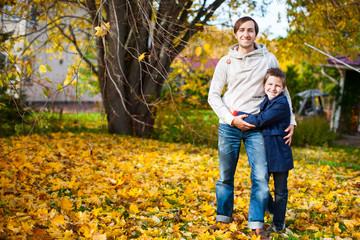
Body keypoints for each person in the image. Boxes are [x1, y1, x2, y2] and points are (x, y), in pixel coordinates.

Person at [207, 16, 296, 240]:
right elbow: (213, 96)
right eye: (242, 30)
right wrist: (230, 119)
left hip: (257, 127)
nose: (246, 34)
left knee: (261, 177)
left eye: (251, 30)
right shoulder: (225, 61)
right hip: (230, 125)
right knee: (226, 176)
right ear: (236, 33)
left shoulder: (268, 58)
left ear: (256, 34)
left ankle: (257, 223)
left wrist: (291, 120)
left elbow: (283, 91)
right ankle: (223, 218)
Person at [231, 68, 294, 234]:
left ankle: (278, 223)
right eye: (270, 84)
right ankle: (274, 209)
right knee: (261, 185)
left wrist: (237, 114)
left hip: (279, 153)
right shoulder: (266, 101)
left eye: (278, 86)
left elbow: (260, 120)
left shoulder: (281, 104)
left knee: (280, 191)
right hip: (266, 152)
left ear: (283, 88)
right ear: (264, 85)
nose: (273, 88)